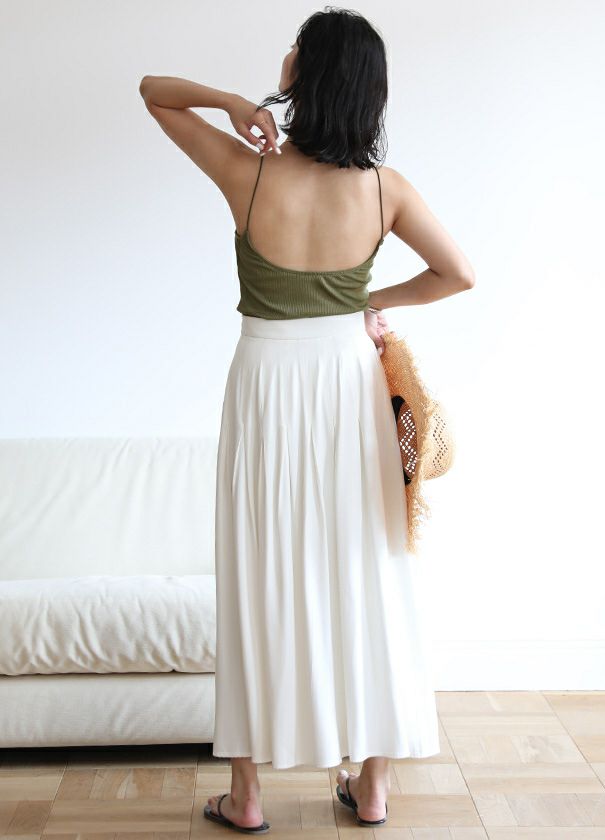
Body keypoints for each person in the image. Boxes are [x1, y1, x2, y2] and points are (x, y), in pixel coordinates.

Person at [140, 8, 475, 833]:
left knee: (257, 572)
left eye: (297, 47)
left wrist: (232, 102)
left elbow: (154, 92)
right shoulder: (385, 189)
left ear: (307, 74)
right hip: (347, 382)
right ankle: (373, 786)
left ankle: (247, 795)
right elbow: (457, 273)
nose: (285, 53)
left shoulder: (248, 174)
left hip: (264, 379)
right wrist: (365, 297)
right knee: (369, 568)